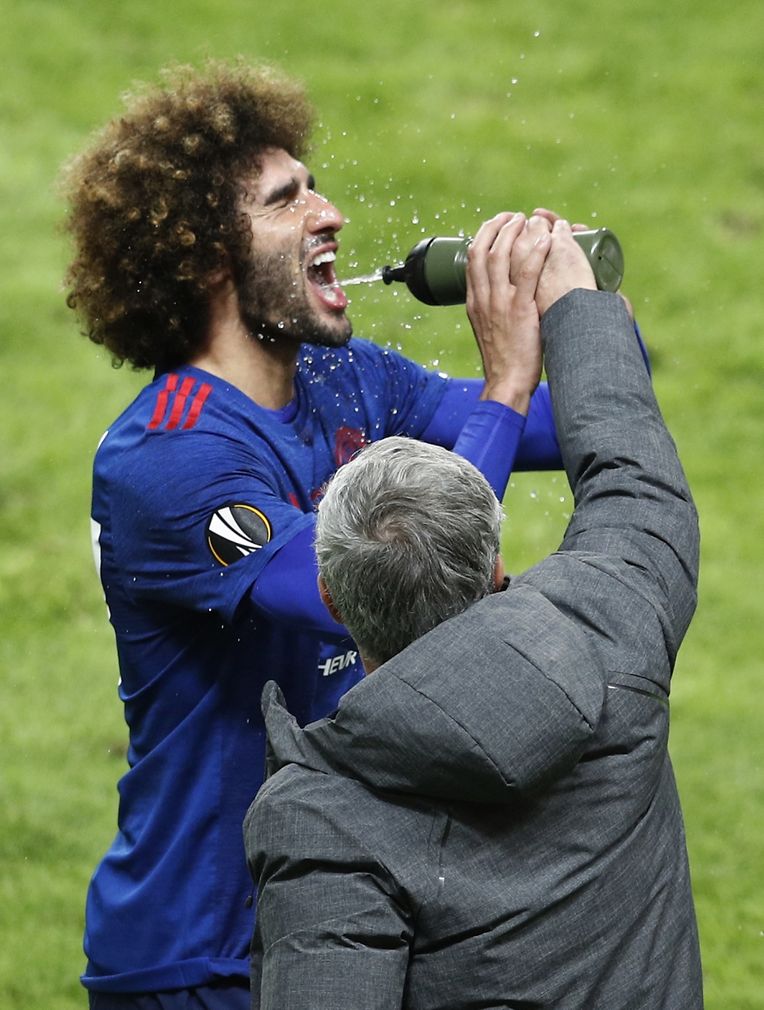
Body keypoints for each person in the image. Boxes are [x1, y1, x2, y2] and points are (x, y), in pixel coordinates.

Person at [60, 60, 570, 1008]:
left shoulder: (349, 381)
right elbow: (366, 585)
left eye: (315, 184)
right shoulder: (167, 460)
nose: (329, 212)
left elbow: (565, 425)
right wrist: (503, 385)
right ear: (209, 258)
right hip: (202, 953)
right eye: (286, 200)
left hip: (345, 910)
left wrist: (577, 314)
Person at [245, 217, 703, 1009]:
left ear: (331, 597)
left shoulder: (325, 820)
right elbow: (636, 482)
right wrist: (580, 308)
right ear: (494, 565)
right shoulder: (615, 628)